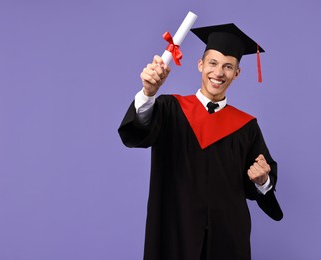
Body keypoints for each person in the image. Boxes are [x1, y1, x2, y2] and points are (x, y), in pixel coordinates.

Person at [118, 23, 283, 260]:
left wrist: (262, 180)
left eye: (228, 66)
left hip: (228, 238)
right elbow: (138, 132)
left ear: (236, 73)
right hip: (175, 231)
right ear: (200, 65)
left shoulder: (246, 127)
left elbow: (257, 184)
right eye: (213, 63)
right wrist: (148, 93)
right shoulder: (169, 109)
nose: (219, 73)